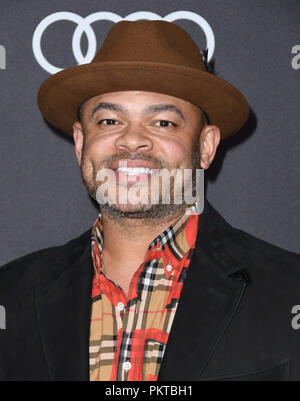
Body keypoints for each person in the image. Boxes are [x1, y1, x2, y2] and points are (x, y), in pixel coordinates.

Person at [0, 20, 299, 381]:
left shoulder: (287, 292)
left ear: (205, 147)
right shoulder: (12, 295)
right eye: (109, 121)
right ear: (80, 142)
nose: (132, 141)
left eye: (163, 123)